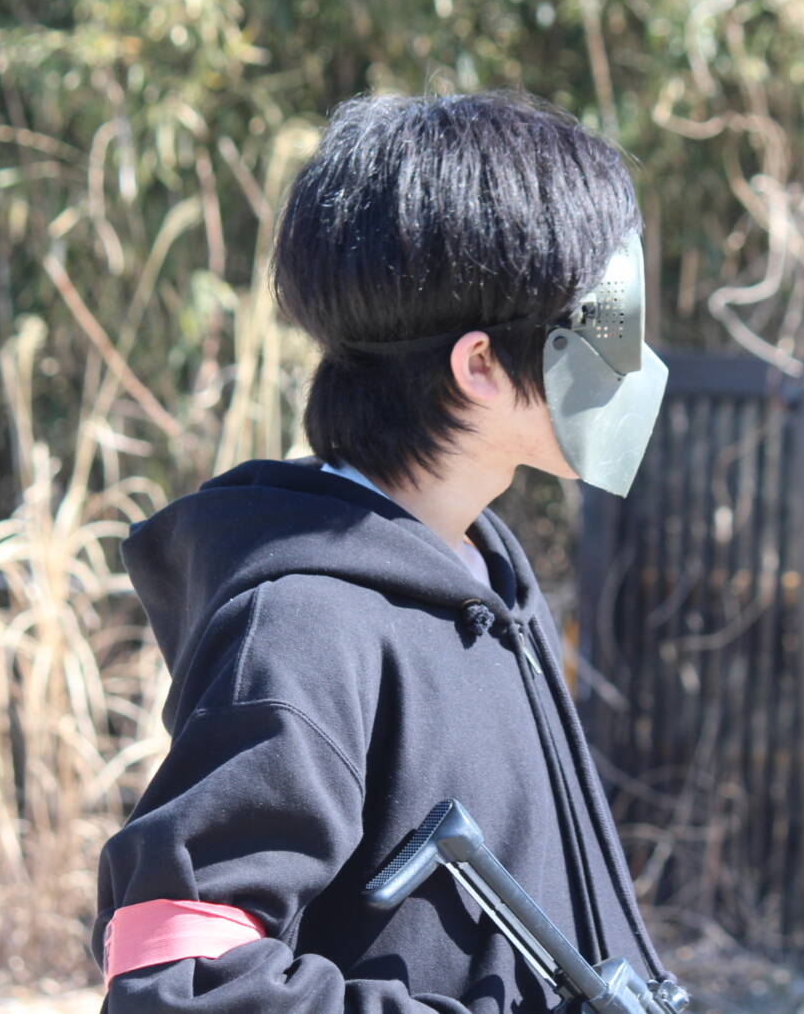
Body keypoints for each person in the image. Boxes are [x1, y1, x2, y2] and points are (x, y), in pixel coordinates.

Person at [92, 89, 671, 1013]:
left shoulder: (479, 570)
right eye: (603, 326)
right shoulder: (306, 624)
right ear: (479, 368)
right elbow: (178, 976)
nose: (629, 359)